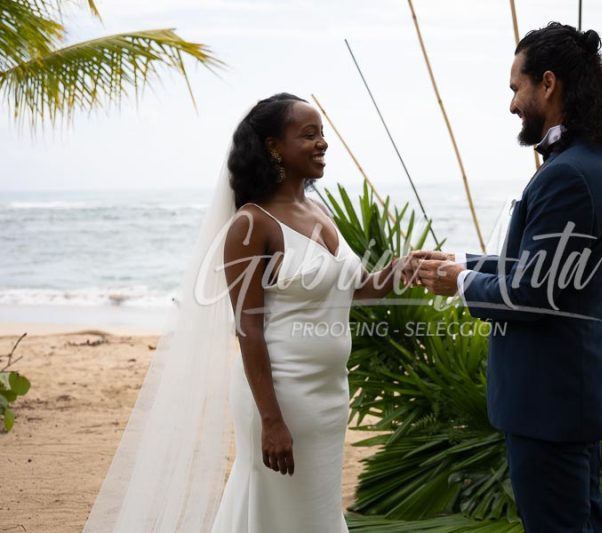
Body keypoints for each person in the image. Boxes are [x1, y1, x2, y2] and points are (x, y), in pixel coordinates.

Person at [82, 94, 408, 533]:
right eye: (308, 135)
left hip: (329, 396)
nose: (322, 144)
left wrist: (404, 269)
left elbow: (358, 289)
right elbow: (247, 326)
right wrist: (271, 421)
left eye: (322, 134)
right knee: (277, 511)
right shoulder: (250, 225)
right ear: (274, 146)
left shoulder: (320, 211)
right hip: (280, 397)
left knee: (314, 511)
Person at [410, 23, 602, 531]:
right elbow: (547, 270)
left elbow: (534, 293)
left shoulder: (568, 174)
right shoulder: (588, 163)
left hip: (550, 400)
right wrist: (462, 263)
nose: (512, 104)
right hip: (565, 395)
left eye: (515, 88)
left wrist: (459, 283)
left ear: (547, 84)